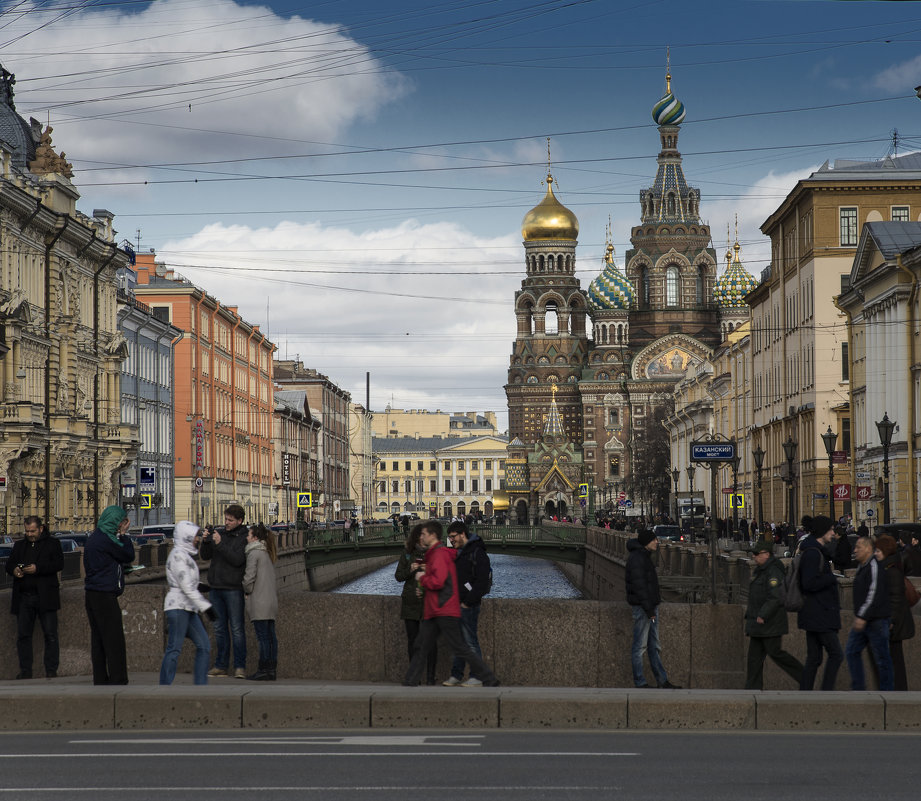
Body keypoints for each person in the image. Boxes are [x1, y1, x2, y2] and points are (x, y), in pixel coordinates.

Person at [402, 520, 499, 687]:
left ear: (432, 535)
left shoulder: (438, 554)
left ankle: (487, 677)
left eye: (424, 534)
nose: (421, 536)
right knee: (422, 645)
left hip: (443, 608)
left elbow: (439, 582)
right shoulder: (436, 553)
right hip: (437, 608)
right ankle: (411, 680)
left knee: (460, 646)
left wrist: (422, 578)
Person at [6, 516, 64, 679]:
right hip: (24, 597)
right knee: (23, 635)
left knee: (50, 634)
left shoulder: (52, 544)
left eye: (32, 531)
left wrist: (38, 568)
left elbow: (59, 564)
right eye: (27, 531)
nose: (30, 534)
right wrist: (15, 570)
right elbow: (9, 564)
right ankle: (25, 670)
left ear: (41, 529)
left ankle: (51, 669)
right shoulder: (19, 545)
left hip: (46, 596)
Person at [83, 505, 135, 685]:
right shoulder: (106, 539)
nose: (122, 526)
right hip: (104, 595)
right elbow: (127, 553)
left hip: (92, 594)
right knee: (114, 640)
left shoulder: (94, 538)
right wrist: (124, 534)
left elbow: (108, 562)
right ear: (115, 522)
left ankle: (100, 678)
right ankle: (118, 679)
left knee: (99, 639)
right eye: (121, 523)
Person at [159, 521, 215, 685]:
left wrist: (202, 586)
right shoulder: (177, 556)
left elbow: (188, 583)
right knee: (174, 649)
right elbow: (186, 587)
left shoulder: (183, 555)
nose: (197, 539)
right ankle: (164, 686)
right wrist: (207, 607)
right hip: (177, 608)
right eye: (194, 536)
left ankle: (200, 686)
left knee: (204, 646)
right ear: (186, 537)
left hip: (188, 607)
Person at [624, 529, 680, 689]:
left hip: (650, 608)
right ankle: (640, 682)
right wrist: (649, 610)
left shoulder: (643, 556)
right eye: (654, 540)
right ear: (647, 542)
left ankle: (662, 681)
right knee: (639, 647)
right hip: (644, 609)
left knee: (654, 646)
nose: (657, 542)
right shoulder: (637, 558)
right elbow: (640, 587)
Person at [744, 542, 803, 690]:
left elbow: (775, 597)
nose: (754, 556)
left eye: (757, 554)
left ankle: (804, 676)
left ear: (766, 554)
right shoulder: (761, 570)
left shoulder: (773, 571)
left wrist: (763, 614)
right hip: (759, 625)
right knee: (754, 659)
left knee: (776, 653)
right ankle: (752, 689)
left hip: (770, 623)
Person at [200, 504, 248, 678]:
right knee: (219, 628)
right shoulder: (221, 533)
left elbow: (237, 560)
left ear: (240, 521)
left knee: (236, 629)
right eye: (225, 519)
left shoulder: (244, 537)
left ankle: (240, 667)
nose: (226, 523)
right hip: (216, 588)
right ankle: (221, 665)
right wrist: (206, 541)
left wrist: (219, 544)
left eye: (230, 520)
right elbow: (205, 556)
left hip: (233, 589)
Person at [797, 515, 843, 691]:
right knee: (836, 654)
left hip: (816, 613)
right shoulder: (813, 554)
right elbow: (808, 583)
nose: (833, 533)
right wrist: (830, 579)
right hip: (819, 614)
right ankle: (826, 693)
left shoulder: (814, 551)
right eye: (831, 529)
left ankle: (806, 693)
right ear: (823, 531)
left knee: (814, 658)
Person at [443, 520, 491, 687]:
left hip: (469, 605)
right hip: (457, 603)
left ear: (462, 534)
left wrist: (468, 602)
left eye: (453, 537)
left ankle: (477, 675)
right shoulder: (461, 552)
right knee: (459, 642)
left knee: (470, 641)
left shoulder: (477, 552)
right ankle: (456, 674)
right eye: (449, 538)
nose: (451, 540)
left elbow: (482, 581)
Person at [846, 535, 894, 691]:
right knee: (852, 651)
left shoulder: (874, 566)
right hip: (866, 619)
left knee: (882, 658)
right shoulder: (863, 565)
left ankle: (887, 692)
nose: (855, 550)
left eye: (858, 547)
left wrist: (861, 616)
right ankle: (858, 688)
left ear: (868, 548)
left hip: (876, 620)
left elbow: (874, 593)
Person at [395, 524, 437, 685]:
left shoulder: (434, 553)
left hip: (428, 602)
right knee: (413, 641)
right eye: (419, 535)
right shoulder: (407, 553)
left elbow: (441, 576)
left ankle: (431, 677)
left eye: (424, 534)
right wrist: (411, 570)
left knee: (430, 642)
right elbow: (399, 576)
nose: (421, 538)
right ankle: (415, 677)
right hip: (410, 602)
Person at [875, 534, 914, 691]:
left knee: (895, 659)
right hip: (893, 622)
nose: (875, 553)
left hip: (894, 624)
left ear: (885, 551)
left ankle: (898, 690)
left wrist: (890, 621)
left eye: (878, 551)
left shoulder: (891, 571)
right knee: (893, 658)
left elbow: (896, 600)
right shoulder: (889, 567)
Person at [242, 523, 279, 681]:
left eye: (249, 535)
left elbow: (249, 578)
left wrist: (246, 589)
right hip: (270, 602)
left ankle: (263, 669)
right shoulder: (267, 553)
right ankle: (271, 669)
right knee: (271, 637)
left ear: (255, 538)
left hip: (260, 601)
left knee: (263, 638)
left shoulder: (254, 553)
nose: (246, 537)